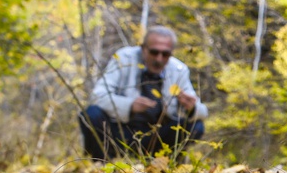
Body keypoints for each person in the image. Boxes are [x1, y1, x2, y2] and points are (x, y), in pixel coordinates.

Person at [79, 26, 208, 160]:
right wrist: (130, 106)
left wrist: (192, 108)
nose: (159, 59)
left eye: (165, 54)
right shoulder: (124, 59)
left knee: (196, 126)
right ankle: (101, 162)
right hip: (120, 131)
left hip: (157, 136)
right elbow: (97, 96)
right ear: (143, 48)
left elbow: (202, 112)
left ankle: (166, 163)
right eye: (154, 52)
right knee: (91, 114)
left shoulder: (178, 69)